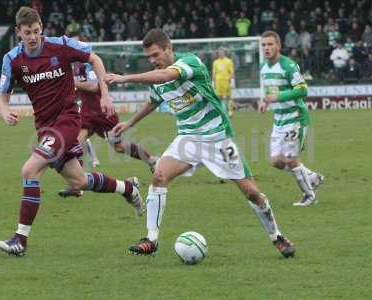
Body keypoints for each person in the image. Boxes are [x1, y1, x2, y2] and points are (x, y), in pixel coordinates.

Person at [105, 28, 296, 258]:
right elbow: (154, 100)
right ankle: (151, 239)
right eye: (149, 57)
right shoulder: (156, 78)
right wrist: (130, 123)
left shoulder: (190, 63)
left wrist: (125, 78)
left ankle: (277, 236)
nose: (153, 60)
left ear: (169, 48)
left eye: (156, 55)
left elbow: (167, 76)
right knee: (159, 176)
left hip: (217, 137)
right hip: (188, 139)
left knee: (252, 192)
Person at [0, 7, 144, 257]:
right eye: (27, 32)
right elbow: (3, 93)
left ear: (41, 27)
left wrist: (105, 93)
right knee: (79, 181)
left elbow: (95, 59)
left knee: (30, 170)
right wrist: (5, 110)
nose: (32, 37)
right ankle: (128, 188)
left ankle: (20, 239)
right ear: (18, 32)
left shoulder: (60, 45)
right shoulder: (13, 59)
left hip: (67, 120)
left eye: (36, 31)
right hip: (44, 127)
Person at [58, 28, 158, 198]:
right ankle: (77, 185)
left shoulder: (88, 61)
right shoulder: (72, 64)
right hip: (87, 114)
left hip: (103, 112)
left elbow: (95, 85)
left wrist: (73, 83)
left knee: (118, 147)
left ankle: (152, 160)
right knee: (76, 143)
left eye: (76, 42)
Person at [259, 31, 324, 207]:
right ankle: (312, 177)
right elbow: (269, 91)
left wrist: (278, 96)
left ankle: (309, 195)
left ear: (278, 46)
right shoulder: (263, 68)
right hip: (279, 120)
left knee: (289, 158)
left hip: (295, 117)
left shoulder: (288, 65)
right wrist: (265, 101)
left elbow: (303, 90)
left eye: (270, 44)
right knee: (276, 161)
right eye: (264, 45)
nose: (266, 48)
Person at [212, 47, 235, 118]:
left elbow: (232, 72)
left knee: (228, 97)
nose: (220, 53)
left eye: (222, 52)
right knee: (219, 97)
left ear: (224, 53)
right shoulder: (215, 62)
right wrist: (213, 82)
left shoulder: (229, 61)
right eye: (219, 52)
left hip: (226, 81)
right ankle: (221, 111)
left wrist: (231, 80)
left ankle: (230, 111)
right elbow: (214, 73)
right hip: (218, 82)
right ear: (218, 53)